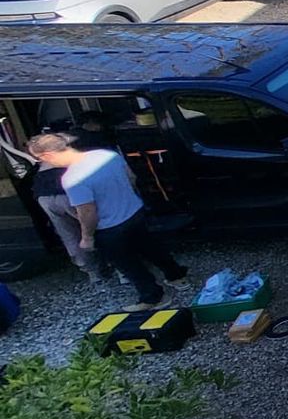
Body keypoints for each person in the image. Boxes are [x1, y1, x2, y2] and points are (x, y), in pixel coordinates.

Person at [27, 131, 186, 309]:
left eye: (40, 159)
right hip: (134, 211)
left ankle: (153, 297)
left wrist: (87, 237)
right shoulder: (106, 155)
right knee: (151, 248)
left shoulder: (73, 178)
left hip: (110, 228)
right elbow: (132, 178)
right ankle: (177, 275)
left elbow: (87, 211)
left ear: (48, 155)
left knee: (128, 264)